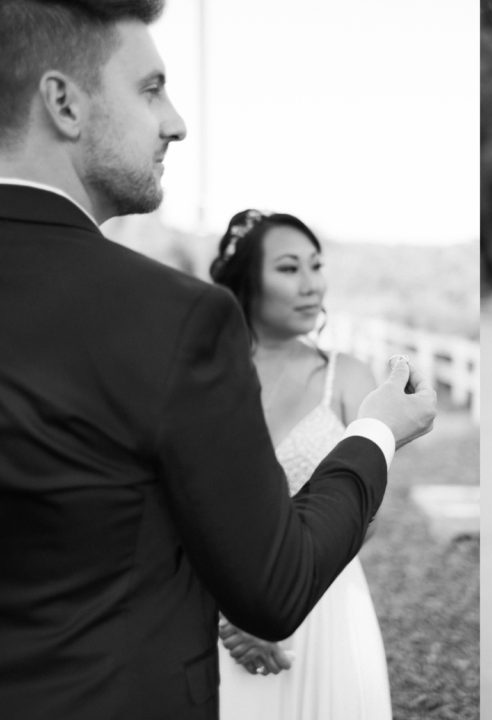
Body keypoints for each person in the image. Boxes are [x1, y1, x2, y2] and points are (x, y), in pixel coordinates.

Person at [0, 2, 435, 719]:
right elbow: (275, 585)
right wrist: (377, 431)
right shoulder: (171, 319)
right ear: (63, 103)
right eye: (150, 88)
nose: (175, 121)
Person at [209, 209, 392, 719]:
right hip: (217, 611)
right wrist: (237, 613)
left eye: (316, 265)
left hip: (326, 601)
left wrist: (278, 606)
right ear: (248, 279)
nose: (311, 284)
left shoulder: (348, 377)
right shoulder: (204, 376)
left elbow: (369, 510)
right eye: (289, 269)